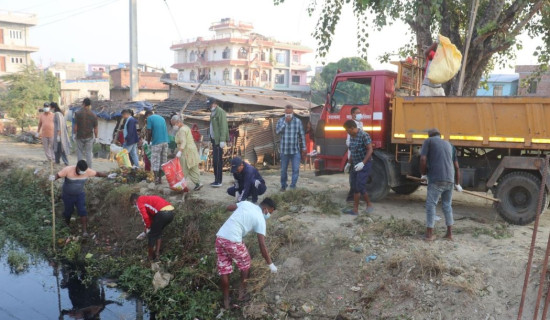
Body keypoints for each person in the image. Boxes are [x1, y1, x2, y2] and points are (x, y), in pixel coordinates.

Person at [215, 198, 278, 310]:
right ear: (265, 209)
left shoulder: (246, 203)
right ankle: (242, 294)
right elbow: (262, 245)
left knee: (224, 269)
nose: (269, 215)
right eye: (270, 212)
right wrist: (270, 264)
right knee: (246, 263)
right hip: (233, 240)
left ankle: (226, 301)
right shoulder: (260, 219)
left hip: (220, 237)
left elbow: (229, 207)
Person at [49, 160, 114, 237]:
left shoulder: (87, 171)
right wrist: (53, 177)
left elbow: (98, 174)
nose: (82, 173)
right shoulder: (68, 169)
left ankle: (84, 231)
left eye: (84, 171)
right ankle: (66, 225)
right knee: (68, 211)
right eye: (81, 171)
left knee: (82, 211)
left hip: (80, 195)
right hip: (67, 195)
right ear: (77, 167)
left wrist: (107, 176)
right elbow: (58, 175)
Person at [420, 128, 462, 241]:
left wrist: (423, 174)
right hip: (450, 180)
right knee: (447, 205)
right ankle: (449, 234)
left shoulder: (428, 141)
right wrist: (457, 184)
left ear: (429, 136)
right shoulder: (450, 145)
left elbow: (423, 159)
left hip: (436, 179)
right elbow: (457, 167)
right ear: (440, 135)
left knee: (431, 205)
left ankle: (429, 235)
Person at [342, 120, 374, 215]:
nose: (347, 132)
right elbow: (353, 151)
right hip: (355, 164)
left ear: (352, 128)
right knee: (355, 185)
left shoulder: (364, 135)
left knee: (358, 186)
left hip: (364, 164)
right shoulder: (352, 137)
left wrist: (363, 163)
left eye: (348, 130)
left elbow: (370, 149)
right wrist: (348, 163)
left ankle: (359, 208)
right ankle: (364, 206)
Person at [130, 193, 175, 261]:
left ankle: (150, 257)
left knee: (151, 235)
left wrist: (148, 227)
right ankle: (157, 255)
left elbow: (145, 216)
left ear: (134, 200)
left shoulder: (139, 201)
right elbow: (151, 218)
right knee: (158, 233)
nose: (135, 206)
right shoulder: (148, 199)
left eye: (133, 204)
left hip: (161, 214)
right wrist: (146, 229)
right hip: (170, 214)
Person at [275, 105, 306, 191]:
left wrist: (304, 148)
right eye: (286, 113)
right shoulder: (281, 121)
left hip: (295, 151)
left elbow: (302, 135)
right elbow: (277, 131)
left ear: (293, 113)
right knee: (283, 170)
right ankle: (283, 186)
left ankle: (293, 186)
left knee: (295, 169)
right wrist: (285, 123)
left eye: (290, 113)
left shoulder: (298, 122)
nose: (288, 115)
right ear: (284, 113)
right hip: (284, 151)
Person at [171, 114, 203, 191]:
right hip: (192, 150)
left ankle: (181, 186)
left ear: (177, 122)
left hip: (186, 152)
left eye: (173, 124)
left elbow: (183, 142)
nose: (173, 126)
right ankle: (198, 183)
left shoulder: (182, 130)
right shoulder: (186, 127)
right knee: (193, 168)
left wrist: (179, 152)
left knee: (183, 169)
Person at [208, 99, 229, 188]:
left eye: (211, 104)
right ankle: (216, 179)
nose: (210, 106)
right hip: (214, 139)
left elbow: (223, 126)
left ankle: (219, 181)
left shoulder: (220, 112)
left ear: (215, 104)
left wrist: (222, 140)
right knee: (215, 161)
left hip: (219, 140)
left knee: (218, 161)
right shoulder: (212, 113)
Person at [144, 110, 169, 184]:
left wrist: (148, 141)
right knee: (163, 161)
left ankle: (156, 179)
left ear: (147, 115)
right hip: (165, 141)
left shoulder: (149, 118)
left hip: (157, 142)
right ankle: (160, 179)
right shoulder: (162, 118)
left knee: (155, 160)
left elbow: (149, 131)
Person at [346, 107, 364, 202]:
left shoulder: (360, 124)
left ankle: (354, 197)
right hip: (354, 156)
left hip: (359, 155)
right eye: (358, 113)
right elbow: (348, 142)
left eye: (360, 112)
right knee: (354, 178)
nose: (360, 114)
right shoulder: (351, 125)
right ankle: (351, 198)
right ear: (352, 114)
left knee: (358, 178)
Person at [74, 98, 98, 168]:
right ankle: (89, 169)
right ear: (89, 105)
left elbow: (75, 126)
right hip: (89, 137)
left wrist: (74, 134)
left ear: (83, 104)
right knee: (88, 154)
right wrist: (96, 137)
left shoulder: (78, 113)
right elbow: (96, 128)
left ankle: (79, 168)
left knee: (79, 153)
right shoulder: (93, 115)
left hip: (80, 136)